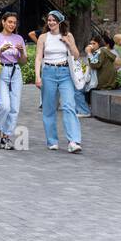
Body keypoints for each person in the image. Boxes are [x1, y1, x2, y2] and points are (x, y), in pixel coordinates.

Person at [33, 9, 83, 152]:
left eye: (54, 20)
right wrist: (38, 76)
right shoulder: (43, 37)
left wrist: (69, 43)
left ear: (60, 21)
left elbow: (76, 55)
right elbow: (38, 57)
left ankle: (73, 141)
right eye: (49, 20)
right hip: (48, 72)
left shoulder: (68, 35)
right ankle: (52, 141)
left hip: (65, 72)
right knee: (49, 108)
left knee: (68, 106)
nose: (51, 23)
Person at [0, 12, 27, 149]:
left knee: (14, 107)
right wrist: (0, 50)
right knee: (4, 106)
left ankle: (6, 136)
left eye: (14, 23)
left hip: (16, 72)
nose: (12, 25)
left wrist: (21, 53)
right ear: (3, 22)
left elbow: (23, 61)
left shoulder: (19, 38)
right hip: (1, 71)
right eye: (9, 22)